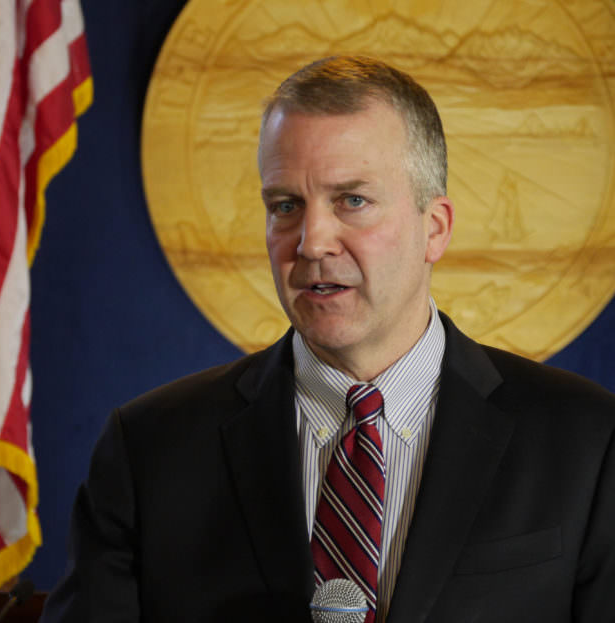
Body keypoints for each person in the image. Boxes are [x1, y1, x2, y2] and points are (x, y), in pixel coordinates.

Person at [39, 56, 615, 623]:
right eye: (285, 206)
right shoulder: (149, 450)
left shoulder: (586, 442)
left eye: (352, 201)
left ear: (433, 228)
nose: (311, 242)